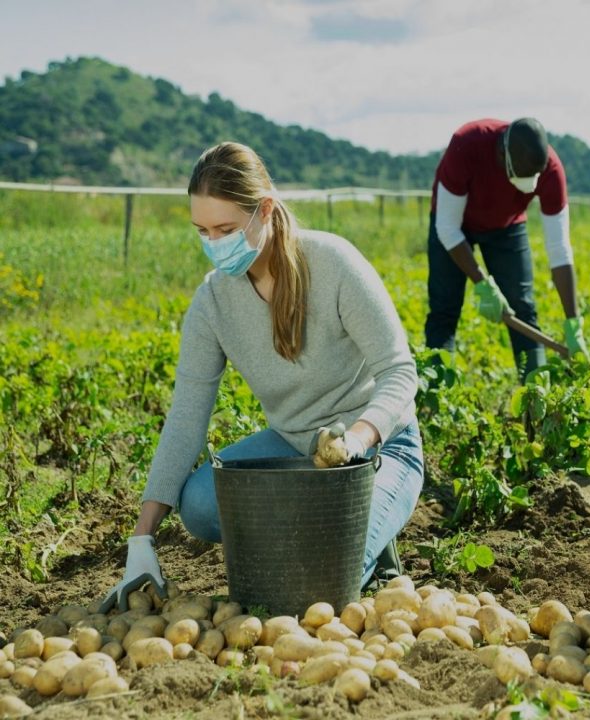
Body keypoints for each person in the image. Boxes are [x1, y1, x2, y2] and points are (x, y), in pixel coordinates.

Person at [100, 142, 423, 611]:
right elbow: (187, 418)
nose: (214, 244)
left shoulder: (333, 264)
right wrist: (141, 540)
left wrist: (355, 440)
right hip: (294, 451)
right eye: (203, 231)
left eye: (226, 229)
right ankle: (333, 533)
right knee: (201, 504)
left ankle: (368, 538)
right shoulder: (213, 303)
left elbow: (399, 372)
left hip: (379, 449)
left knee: (318, 582)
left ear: (265, 210)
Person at [424, 117, 588, 380]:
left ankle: (536, 399)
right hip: (454, 225)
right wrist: (482, 283)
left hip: (506, 227)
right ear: (502, 156)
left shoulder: (550, 170)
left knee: (523, 310)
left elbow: (559, 248)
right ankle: (435, 394)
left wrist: (573, 323)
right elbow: (446, 227)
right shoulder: (467, 145)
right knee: (444, 308)